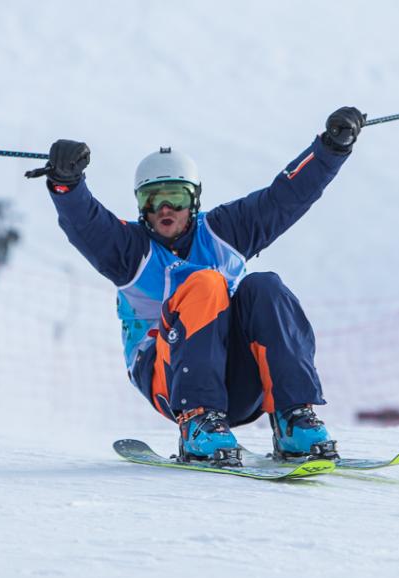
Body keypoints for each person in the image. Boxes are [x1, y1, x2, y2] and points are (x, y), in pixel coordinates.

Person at [28, 106, 365, 463]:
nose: (165, 208)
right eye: (152, 199)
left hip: (237, 378)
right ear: (141, 204)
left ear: (195, 199)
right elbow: (85, 222)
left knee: (265, 286)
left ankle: (293, 418)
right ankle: (197, 424)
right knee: (203, 283)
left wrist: (331, 148)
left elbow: (285, 197)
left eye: (177, 196)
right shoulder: (129, 251)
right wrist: (66, 184)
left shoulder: (225, 232)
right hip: (169, 379)